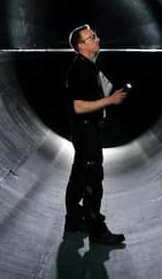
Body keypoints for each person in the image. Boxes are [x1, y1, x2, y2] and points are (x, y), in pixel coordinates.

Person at [64, 24, 128, 245]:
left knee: (79, 175)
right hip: (85, 130)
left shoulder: (88, 66)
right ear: (82, 45)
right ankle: (97, 231)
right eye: (92, 37)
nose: (97, 39)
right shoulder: (80, 69)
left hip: (84, 129)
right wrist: (110, 101)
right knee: (93, 179)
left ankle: (73, 219)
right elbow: (79, 106)